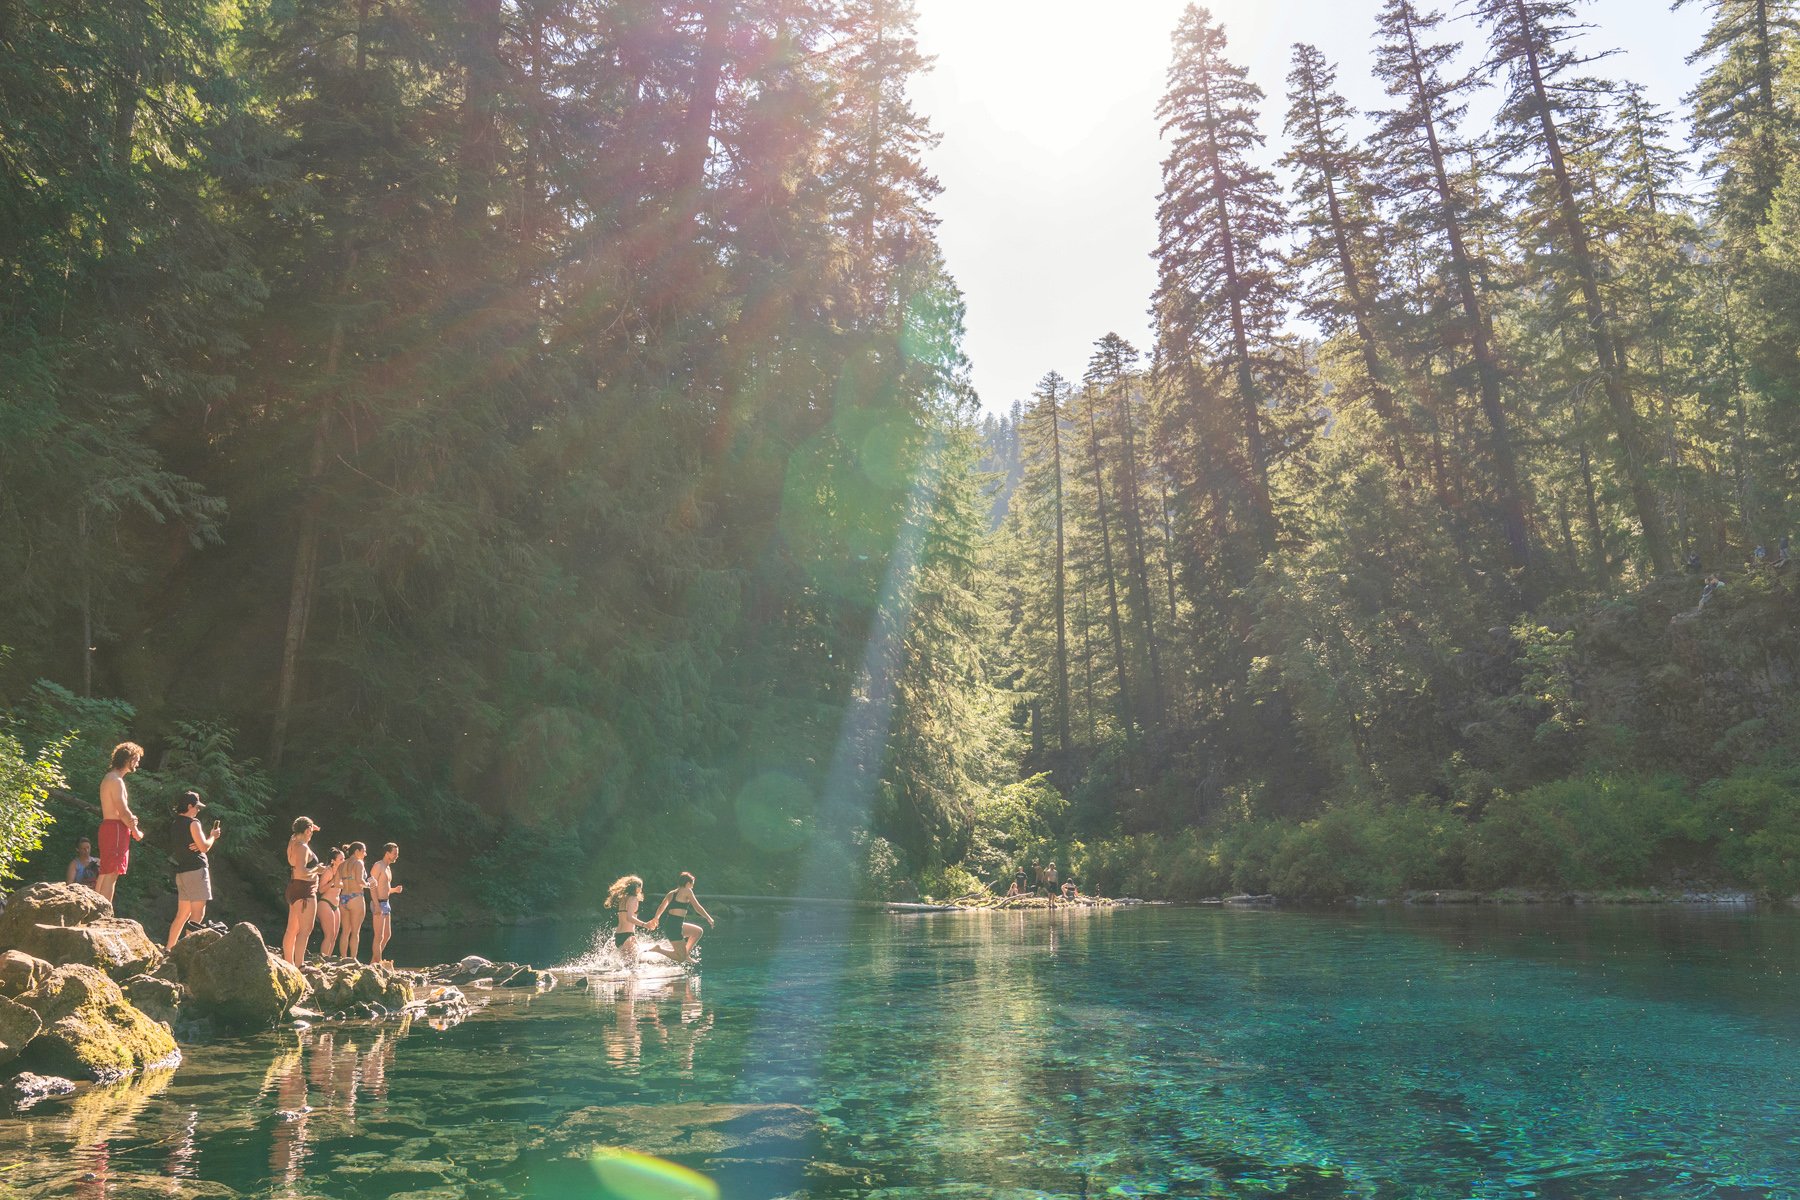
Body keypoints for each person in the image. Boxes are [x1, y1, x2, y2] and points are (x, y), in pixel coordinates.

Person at [166, 792, 220, 951]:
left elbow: (190, 845)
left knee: (182, 914)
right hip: (196, 870)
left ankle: (169, 948)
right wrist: (213, 837)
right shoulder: (193, 823)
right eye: (196, 807)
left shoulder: (175, 823)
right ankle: (187, 950)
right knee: (198, 913)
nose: (198, 810)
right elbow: (204, 847)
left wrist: (199, 844)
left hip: (182, 872)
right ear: (189, 806)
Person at [96, 742, 145, 904]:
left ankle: (95, 909)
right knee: (112, 872)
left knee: (105, 871)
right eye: (136, 759)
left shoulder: (109, 778)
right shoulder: (116, 781)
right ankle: (103, 914)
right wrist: (136, 831)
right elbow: (123, 811)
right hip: (115, 829)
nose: (137, 763)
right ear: (127, 760)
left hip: (110, 827)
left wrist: (130, 822)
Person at [281, 817, 326, 967]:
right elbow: (301, 872)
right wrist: (317, 870)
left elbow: (299, 829)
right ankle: (300, 965)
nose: (311, 834)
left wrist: (310, 826)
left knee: (292, 928)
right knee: (306, 929)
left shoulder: (292, 840)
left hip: (294, 888)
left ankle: (289, 963)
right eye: (310, 831)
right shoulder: (302, 848)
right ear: (306, 831)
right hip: (305, 890)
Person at [646, 871, 714, 965]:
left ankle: (686, 954)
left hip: (673, 924)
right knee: (680, 958)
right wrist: (708, 917)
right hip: (674, 927)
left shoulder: (671, 893)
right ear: (688, 883)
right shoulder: (687, 891)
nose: (692, 887)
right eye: (692, 884)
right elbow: (697, 907)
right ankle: (659, 949)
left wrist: (656, 918)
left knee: (698, 931)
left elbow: (662, 906)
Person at [369, 843, 403, 967]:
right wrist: (376, 905)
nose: (396, 856)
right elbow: (372, 886)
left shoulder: (388, 868)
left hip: (386, 903)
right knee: (379, 936)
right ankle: (378, 963)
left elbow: (385, 888)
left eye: (397, 854)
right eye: (395, 853)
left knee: (387, 935)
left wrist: (395, 890)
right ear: (387, 853)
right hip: (378, 902)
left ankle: (373, 962)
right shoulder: (378, 865)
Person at [335, 843, 370, 963]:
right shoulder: (359, 863)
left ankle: (343, 958)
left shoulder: (342, 864)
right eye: (363, 851)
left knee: (345, 931)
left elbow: (336, 883)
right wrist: (369, 885)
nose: (365, 854)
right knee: (355, 932)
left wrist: (346, 884)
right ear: (357, 851)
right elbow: (360, 880)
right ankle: (353, 959)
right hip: (356, 897)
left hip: (343, 897)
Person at [605, 875, 653, 960]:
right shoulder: (633, 899)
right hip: (628, 936)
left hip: (618, 935)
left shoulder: (623, 898)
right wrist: (645, 925)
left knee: (628, 964)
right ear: (636, 887)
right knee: (632, 967)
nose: (641, 890)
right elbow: (629, 918)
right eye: (640, 887)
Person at [313, 846, 346, 960]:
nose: (343, 861)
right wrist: (333, 881)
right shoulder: (328, 871)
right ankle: (323, 959)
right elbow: (321, 890)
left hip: (336, 905)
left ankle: (329, 959)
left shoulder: (341, 872)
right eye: (341, 859)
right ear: (333, 861)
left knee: (334, 936)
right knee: (329, 935)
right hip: (325, 903)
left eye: (344, 859)